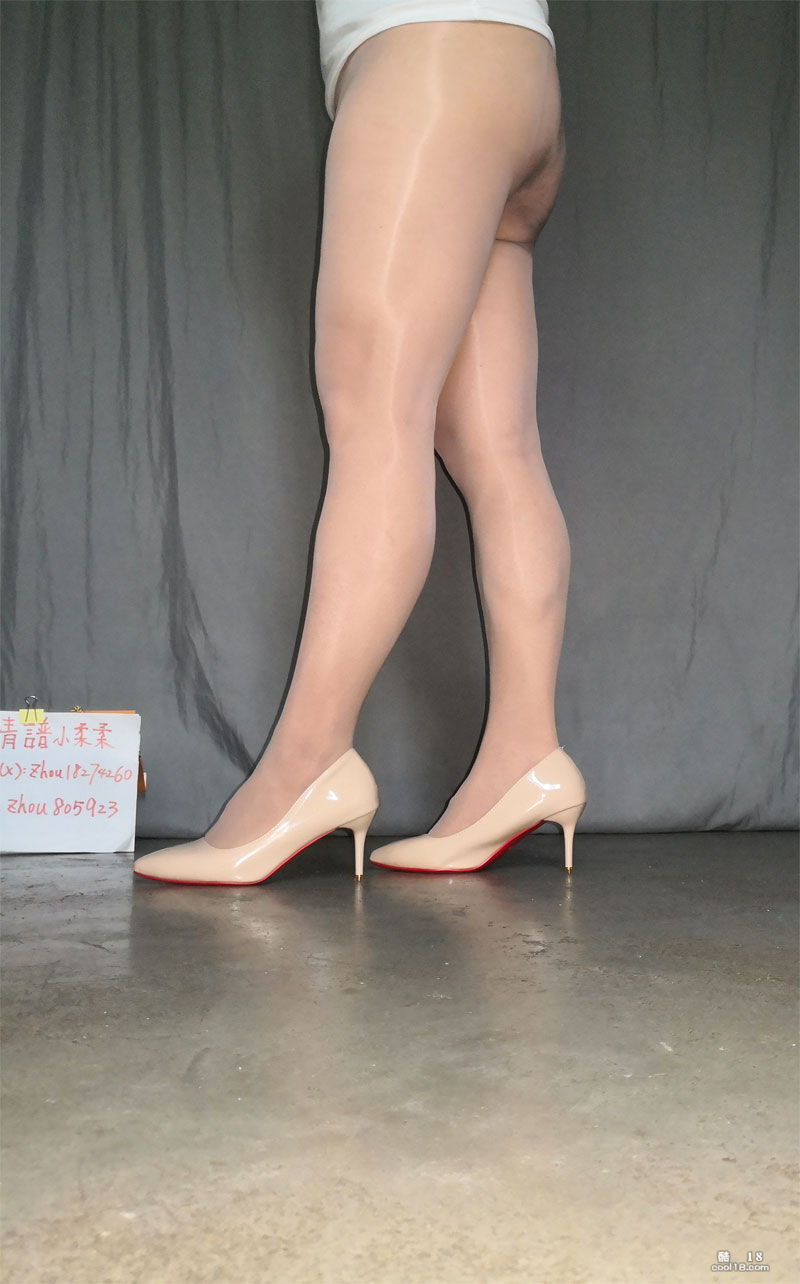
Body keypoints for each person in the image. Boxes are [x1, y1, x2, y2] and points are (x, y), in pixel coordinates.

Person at [133, 0, 587, 888]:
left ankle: (304, 768)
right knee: (498, 449)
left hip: (427, 56)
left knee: (377, 420)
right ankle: (525, 755)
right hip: (522, 72)